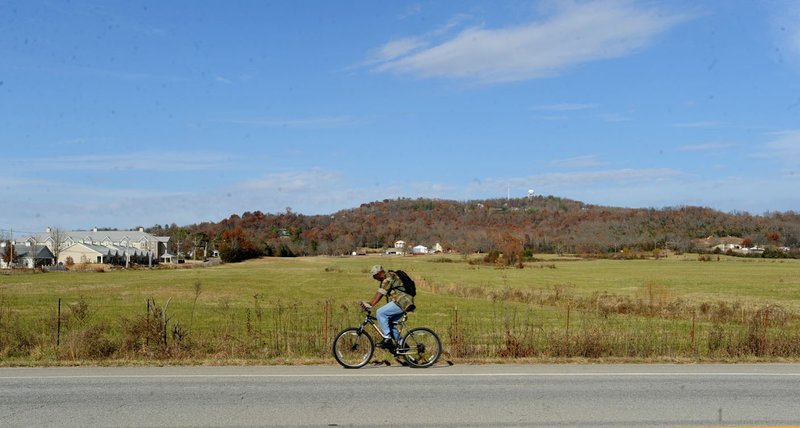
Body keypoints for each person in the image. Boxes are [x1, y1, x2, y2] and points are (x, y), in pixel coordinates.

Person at [360, 265, 415, 349]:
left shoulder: (388, 277)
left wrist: (370, 304)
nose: (374, 278)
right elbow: (379, 292)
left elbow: (381, 293)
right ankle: (402, 344)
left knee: (380, 312)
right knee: (389, 324)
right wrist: (370, 303)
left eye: (375, 276)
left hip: (403, 301)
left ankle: (387, 339)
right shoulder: (386, 278)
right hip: (402, 302)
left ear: (379, 273)